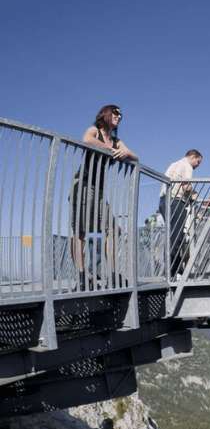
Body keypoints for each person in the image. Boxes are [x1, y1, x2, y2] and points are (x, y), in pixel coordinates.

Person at [71, 104, 137, 290]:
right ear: (106, 114)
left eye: (121, 115)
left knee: (113, 231)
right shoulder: (95, 130)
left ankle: (114, 275)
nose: (119, 116)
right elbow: (86, 139)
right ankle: (82, 277)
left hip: (99, 190)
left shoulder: (117, 141)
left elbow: (136, 158)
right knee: (80, 232)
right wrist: (108, 149)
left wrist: (126, 153)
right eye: (116, 113)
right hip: (83, 185)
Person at [163, 149, 203, 278]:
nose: (197, 165)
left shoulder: (174, 164)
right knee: (177, 238)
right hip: (176, 201)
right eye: (198, 162)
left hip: (164, 200)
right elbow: (186, 186)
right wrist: (194, 194)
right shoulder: (187, 166)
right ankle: (173, 271)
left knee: (172, 236)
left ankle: (173, 270)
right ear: (192, 157)